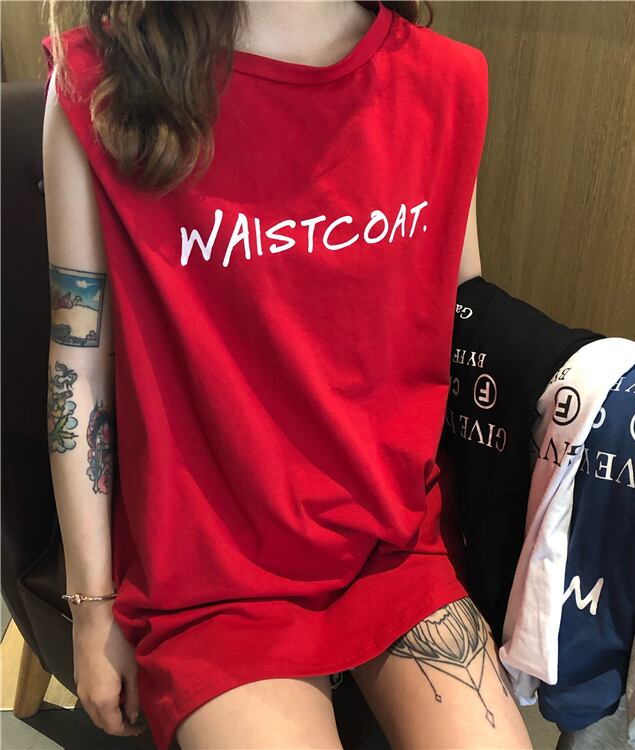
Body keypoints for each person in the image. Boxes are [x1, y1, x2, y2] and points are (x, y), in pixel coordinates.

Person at [41, 1, 533, 748]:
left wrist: (595, 381)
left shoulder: (445, 83)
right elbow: (78, 362)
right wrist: (91, 606)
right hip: (208, 574)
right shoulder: (101, 85)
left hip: (391, 543)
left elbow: (461, 314)